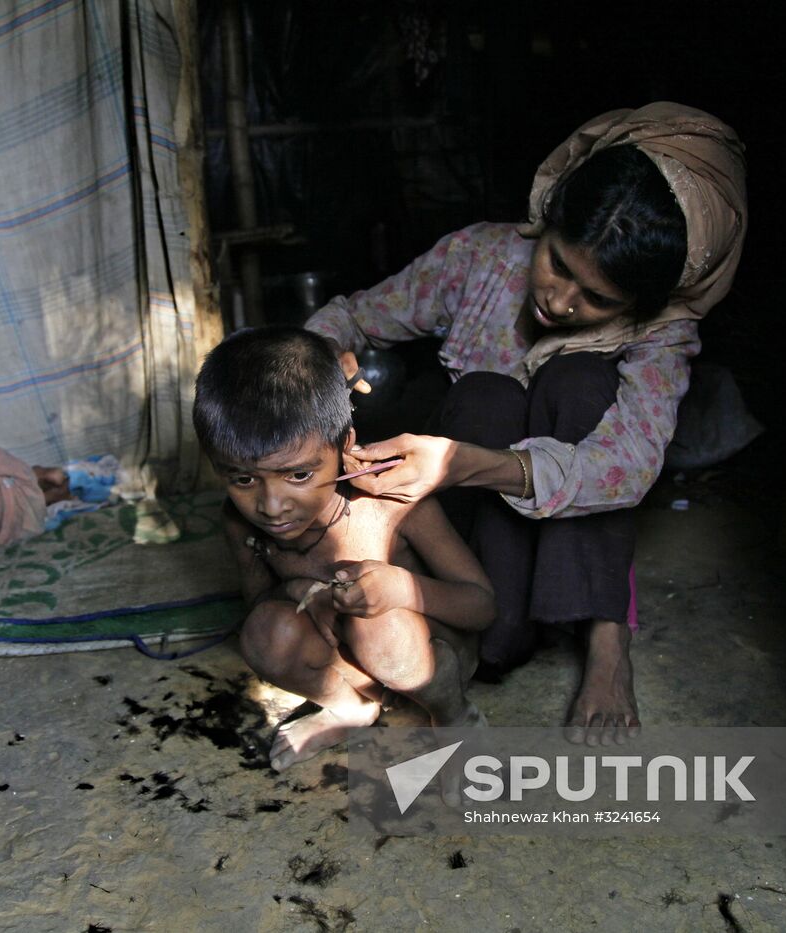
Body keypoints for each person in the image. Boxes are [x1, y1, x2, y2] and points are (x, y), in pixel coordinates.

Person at [305, 102, 748, 746]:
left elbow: (627, 466)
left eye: (598, 299)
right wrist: (325, 359)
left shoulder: (663, 331)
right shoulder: (479, 256)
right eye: (559, 263)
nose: (560, 300)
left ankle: (605, 639)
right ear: (548, 223)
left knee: (579, 380)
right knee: (486, 397)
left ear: (642, 301)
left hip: (575, 530)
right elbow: (355, 315)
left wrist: (462, 462)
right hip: (487, 536)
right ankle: (501, 614)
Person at [194, 326, 495, 772]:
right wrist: (296, 590)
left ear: (344, 447)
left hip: (429, 658)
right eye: (242, 479)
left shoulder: (394, 503)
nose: (272, 507)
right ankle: (349, 707)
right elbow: (258, 603)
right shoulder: (238, 521)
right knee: (262, 633)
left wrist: (401, 590)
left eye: (297, 475)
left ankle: (454, 717)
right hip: (349, 662)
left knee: (380, 624)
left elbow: (482, 606)